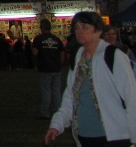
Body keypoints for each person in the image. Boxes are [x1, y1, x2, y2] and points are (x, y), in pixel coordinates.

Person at [46, 11, 136, 147]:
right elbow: (71, 97)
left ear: (98, 31)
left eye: (84, 27)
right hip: (84, 137)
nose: (79, 31)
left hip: (113, 136)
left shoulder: (114, 56)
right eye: (76, 28)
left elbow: (131, 97)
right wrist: (57, 125)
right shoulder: (78, 59)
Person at [32, 19, 66, 120]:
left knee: (46, 91)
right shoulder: (56, 39)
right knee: (56, 91)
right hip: (56, 68)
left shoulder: (39, 39)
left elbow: (35, 52)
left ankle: (45, 113)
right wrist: (60, 63)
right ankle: (57, 111)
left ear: (41, 27)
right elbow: (62, 53)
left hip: (45, 68)